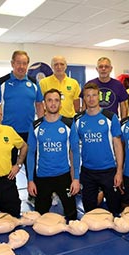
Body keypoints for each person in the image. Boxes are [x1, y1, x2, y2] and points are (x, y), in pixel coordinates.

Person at [27, 89, 80, 220]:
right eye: (49, 100)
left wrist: (76, 178)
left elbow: (75, 151)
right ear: (44, 103)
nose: (53, 103)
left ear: (60, 103)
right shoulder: (35, 126)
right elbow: (30, 154)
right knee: (40, 217)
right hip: (42, 177)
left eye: (56, 100)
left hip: (63, 176)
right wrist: (30, 180)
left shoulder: (68, 124)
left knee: (72, 215)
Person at [0, 50, 44, 173]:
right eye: (18, 63)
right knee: (8, 167)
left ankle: (33, 191)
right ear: (12, 64)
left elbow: (39, 104)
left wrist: (41, 126)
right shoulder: (2, 82)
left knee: (31, 167)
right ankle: (10, 191)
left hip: (29, 131)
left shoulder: (34, 83)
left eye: (24, 63)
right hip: (7, 132)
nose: (21, 66)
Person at [74, 82, 123, 215]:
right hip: (87, 172)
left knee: (115, 210)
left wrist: (119, 171)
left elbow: (117, 145)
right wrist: (75, 175)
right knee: (89, 212)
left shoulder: (110, 117)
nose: (91, 98)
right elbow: (73, 149)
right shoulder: (77, 119)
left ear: (99, 96)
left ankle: (103, 196)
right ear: (84, 98)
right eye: (88, 96)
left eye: (94, 95)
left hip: (109, 170)